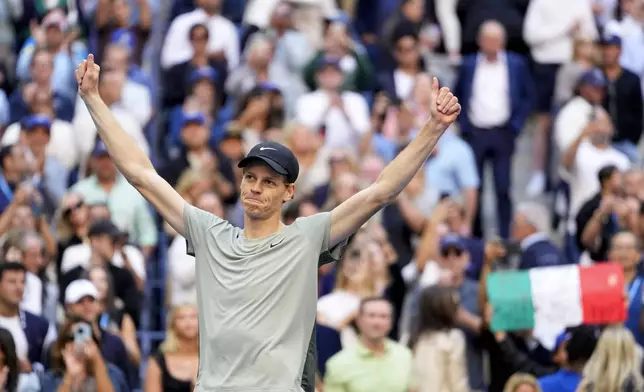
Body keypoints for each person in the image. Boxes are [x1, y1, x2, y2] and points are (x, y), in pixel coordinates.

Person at [74, 53, 461, 391]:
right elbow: (142, 174)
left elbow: (381, 191)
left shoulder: (307, 237)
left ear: (289, 192)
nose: (256, 188)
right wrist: (93, 99)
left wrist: (433, 127)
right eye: (250, 178)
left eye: (269, 182)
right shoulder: (210, 234)